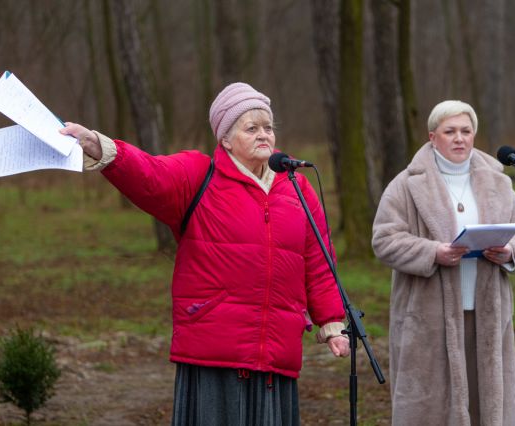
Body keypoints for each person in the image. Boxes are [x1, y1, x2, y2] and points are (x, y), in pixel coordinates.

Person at [61, 82, 350, 425]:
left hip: (276, 352)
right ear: (225, 139)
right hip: (216, 351)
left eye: (268, 127)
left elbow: (318, 261)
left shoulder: (297, 187)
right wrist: (100, 146)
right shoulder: (199, 175)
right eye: (251, 128)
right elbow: (149, 175)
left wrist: (332, 323)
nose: (264, 135)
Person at [371, 100, 515, 426]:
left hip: (486, 314)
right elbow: (384, 240)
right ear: (433, 137)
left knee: (484, 407)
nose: (459, 138)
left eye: (466, 131)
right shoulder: (406, 185)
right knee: (430, 409)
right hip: (427, 319)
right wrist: (433, 252)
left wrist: (511, 252)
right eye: (450, 131)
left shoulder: (498, 183)